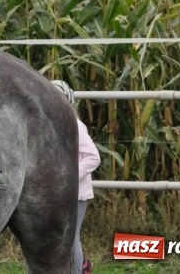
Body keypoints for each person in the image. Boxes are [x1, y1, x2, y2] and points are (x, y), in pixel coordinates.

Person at [73, 117, 100, 274]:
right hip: (55, 193)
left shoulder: (75, 124)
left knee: (71, 239)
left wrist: (70, 178)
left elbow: (93, 157)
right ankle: (82, 265)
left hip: (76, 194)